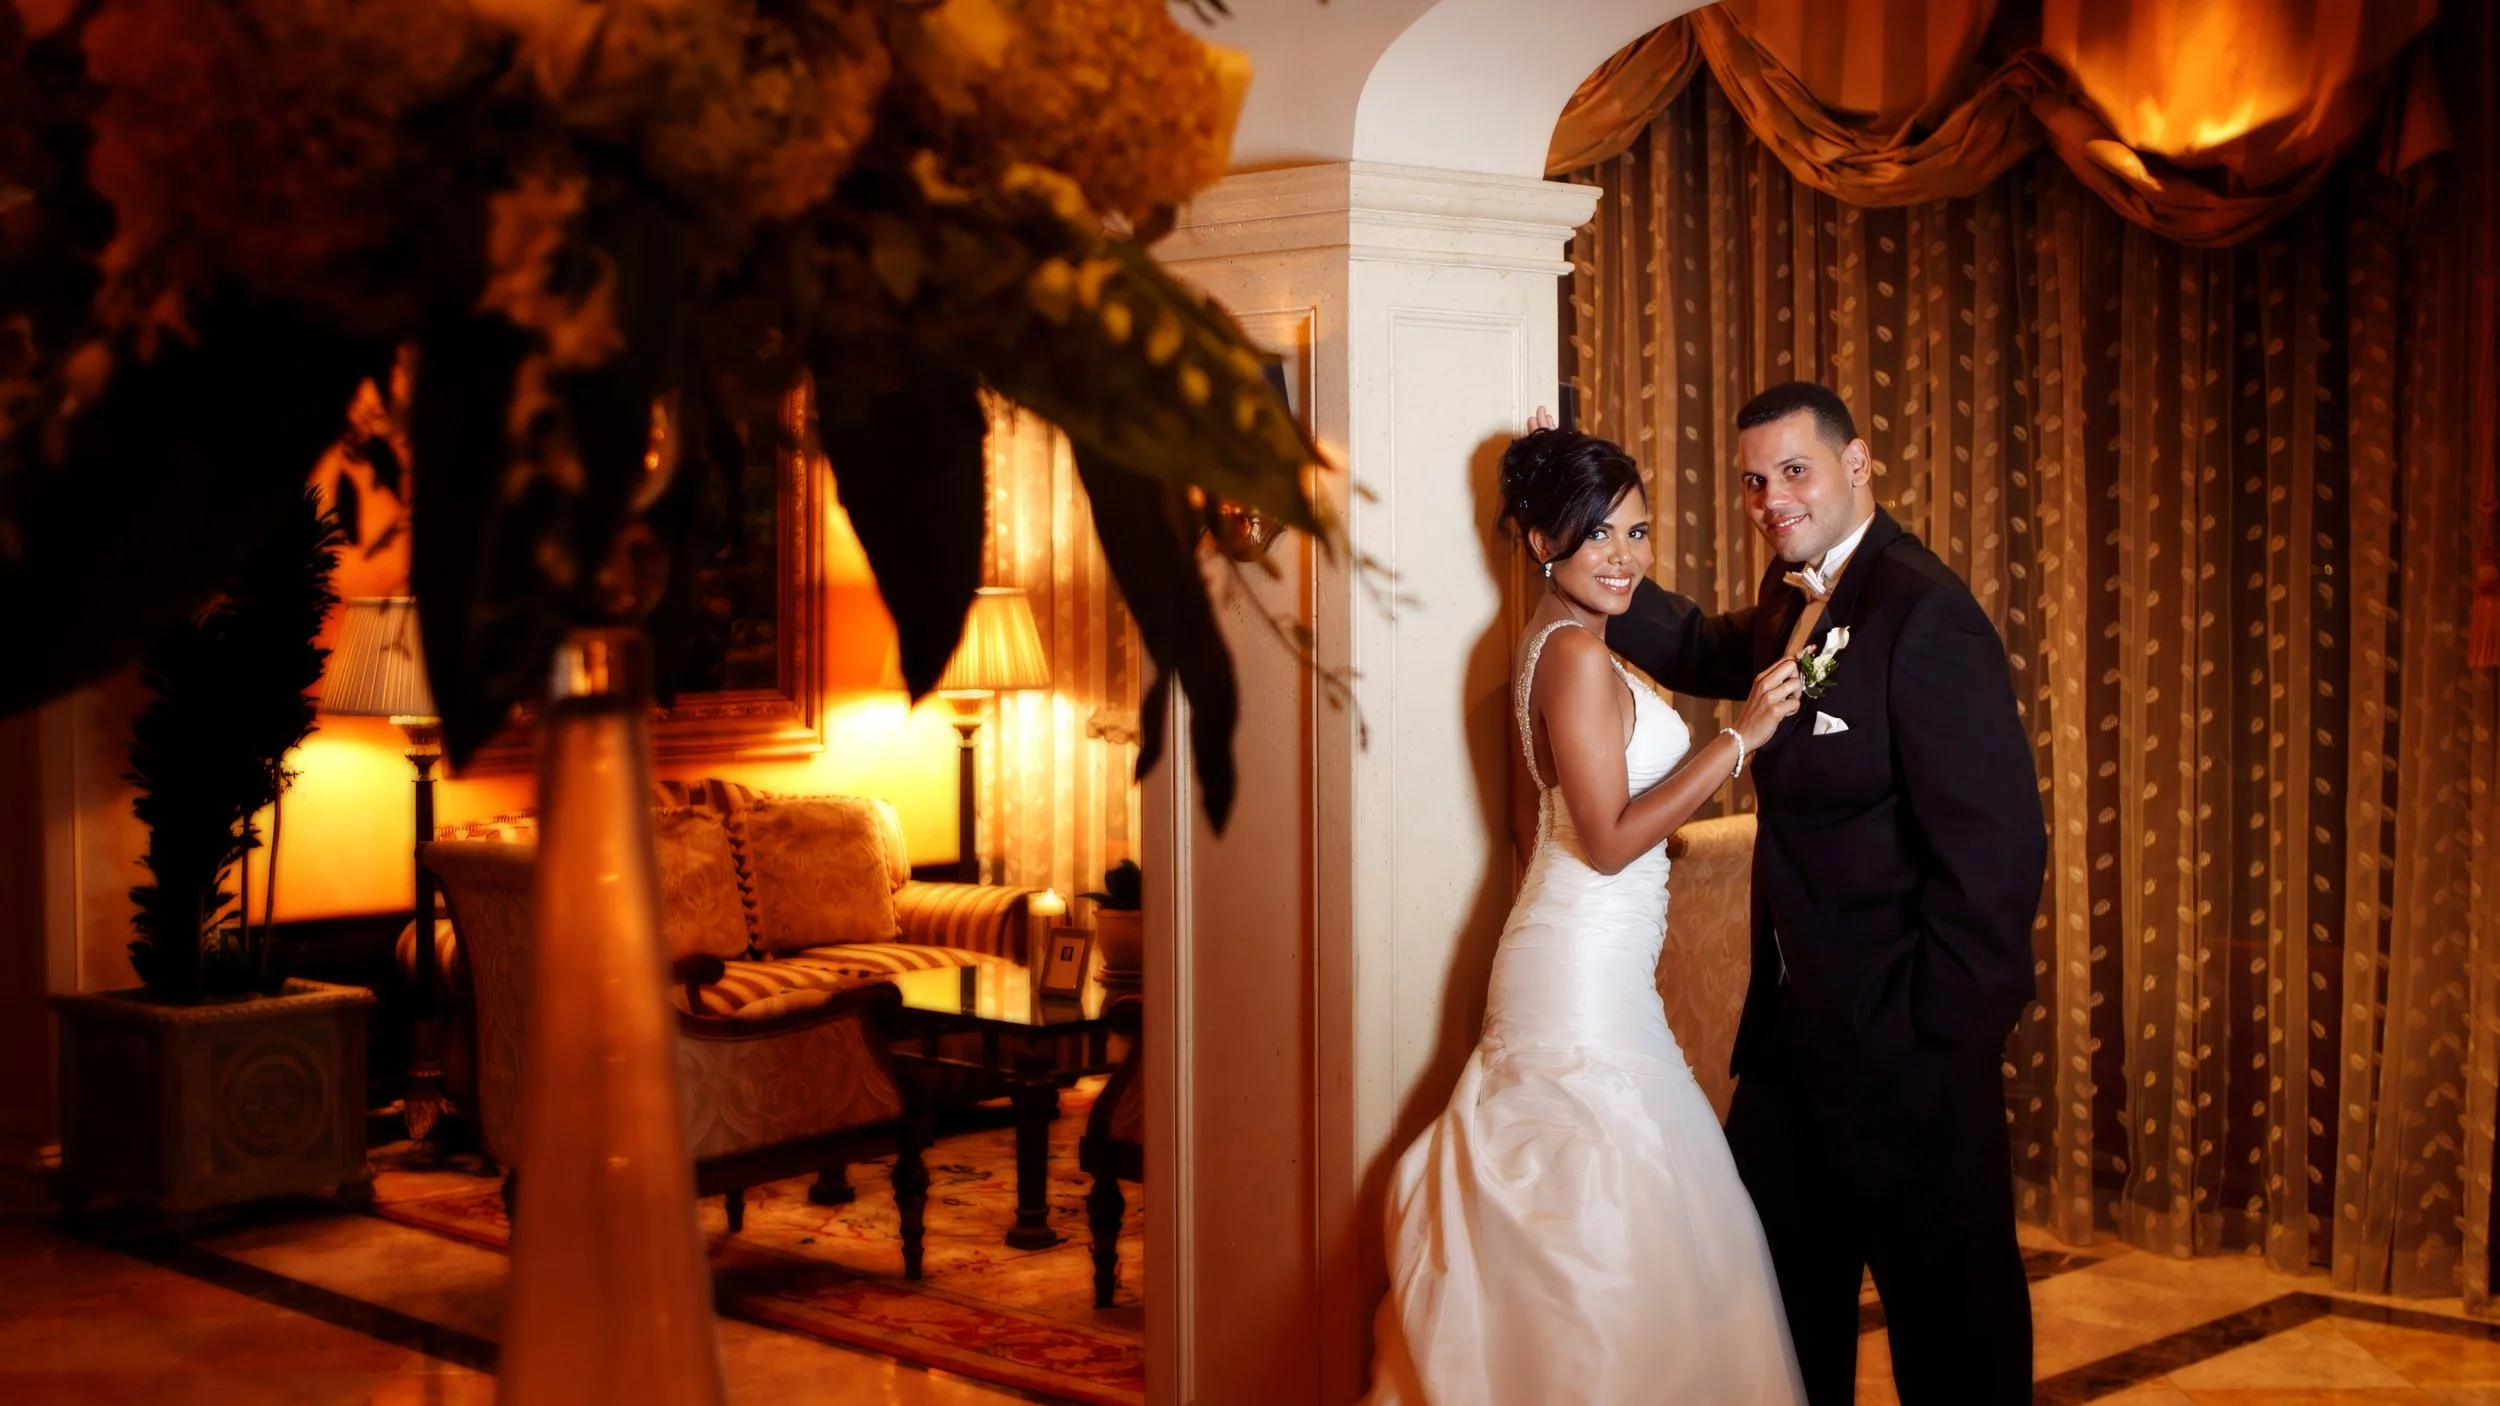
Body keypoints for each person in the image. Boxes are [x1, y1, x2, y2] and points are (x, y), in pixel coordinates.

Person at [1608, 380, 2046, 1405]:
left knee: (1955, 1338)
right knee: (1770, 1319)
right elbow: (1698, 646)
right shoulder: (1787, 593)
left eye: (1794, 471)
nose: (1771, 499)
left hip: (1907, 1054)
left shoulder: (1924, 612)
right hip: (1793, 1051)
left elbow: (1996, 851)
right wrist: (1592, 552)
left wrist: (1933, 1033)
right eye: (1755, 482)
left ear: (1858, 466)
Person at [1362, 425, 1810, 1406]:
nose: (1625, 556)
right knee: (1604, 1218)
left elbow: (1541, 831)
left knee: (1624, 1216)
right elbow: (1602, 839)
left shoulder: (1554, 647)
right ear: (1540, 542)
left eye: (1637, 531)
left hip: (1577, 958)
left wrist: (1644, 868)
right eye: (1596, 532)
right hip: (1576, 977)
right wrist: (1738, 739)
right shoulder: (1567, 654)